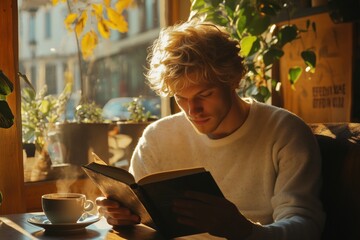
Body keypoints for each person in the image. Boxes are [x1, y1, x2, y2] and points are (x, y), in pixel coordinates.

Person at [96, 20, 324, 239]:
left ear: (234, 79)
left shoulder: (284, 132)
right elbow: (143, 219)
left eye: (205, 95)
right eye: (181, 98)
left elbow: (305, 226)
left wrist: (244, 231)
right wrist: (121, 216)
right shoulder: (158, 138)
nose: (192, 110)